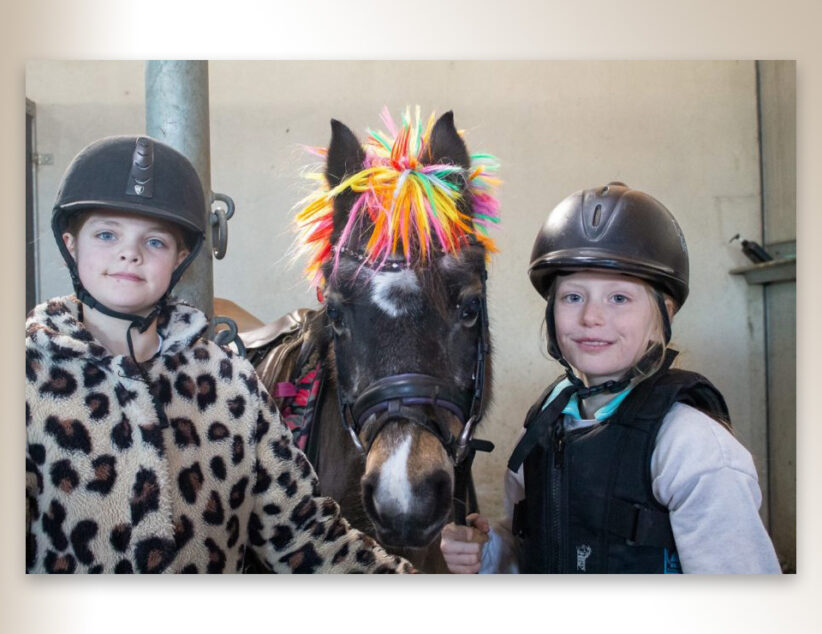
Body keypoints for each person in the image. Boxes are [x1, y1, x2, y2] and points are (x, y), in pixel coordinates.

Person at [25, 135, 414, 574]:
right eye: (106, 234)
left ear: (180, 257)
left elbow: (305, 533)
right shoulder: (25, 379)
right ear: (71, 244)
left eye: (155, 242)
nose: (129, 253)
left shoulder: (231, 383)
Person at [440, 182, 781, 574]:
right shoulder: (540, 431)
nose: (591, 317)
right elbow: (534, 546)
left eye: (619, 298)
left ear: (664, 314)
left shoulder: (693, 448)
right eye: (573, 297)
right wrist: (487, 552)